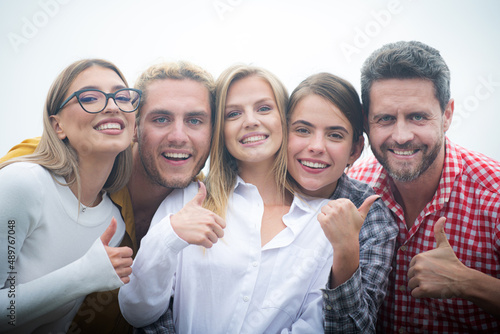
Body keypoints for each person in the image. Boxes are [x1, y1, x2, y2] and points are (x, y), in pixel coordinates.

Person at [0, 60, 215, 333]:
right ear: (135, 126)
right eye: (161, 119)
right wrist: (84, 275)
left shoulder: (205, 206)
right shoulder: (26, 176)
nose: (178, 136)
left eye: (195, 120)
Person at [119, 64, 335, 333]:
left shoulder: (323, 220)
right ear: (219, 129)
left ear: (286, 120)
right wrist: (169, 236)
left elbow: (317, 322)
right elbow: (137, 311)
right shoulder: (187, 201)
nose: (250, 121)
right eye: (233, 113)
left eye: (264, 108)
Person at [348, 40, 500, 333]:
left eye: (417, 117)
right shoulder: (354, 188)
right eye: (386, 119)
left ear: (447, 115)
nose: (402, 136)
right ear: (366, 123)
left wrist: (468, 283)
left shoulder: (492, 194)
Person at [0, 59, 137, 333]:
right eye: (89, 97)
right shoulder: (23, 184)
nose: (112, 106)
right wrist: (83, 275)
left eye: (122, 97)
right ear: (57, 126)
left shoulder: (114, 222)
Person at [286, 72, 398, 333]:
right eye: (303, 130)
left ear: (355, 150)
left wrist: (346, 248)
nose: (316, 146)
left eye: (335, 135)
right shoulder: (253, 189)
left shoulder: (372, 217)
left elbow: (357, 329)